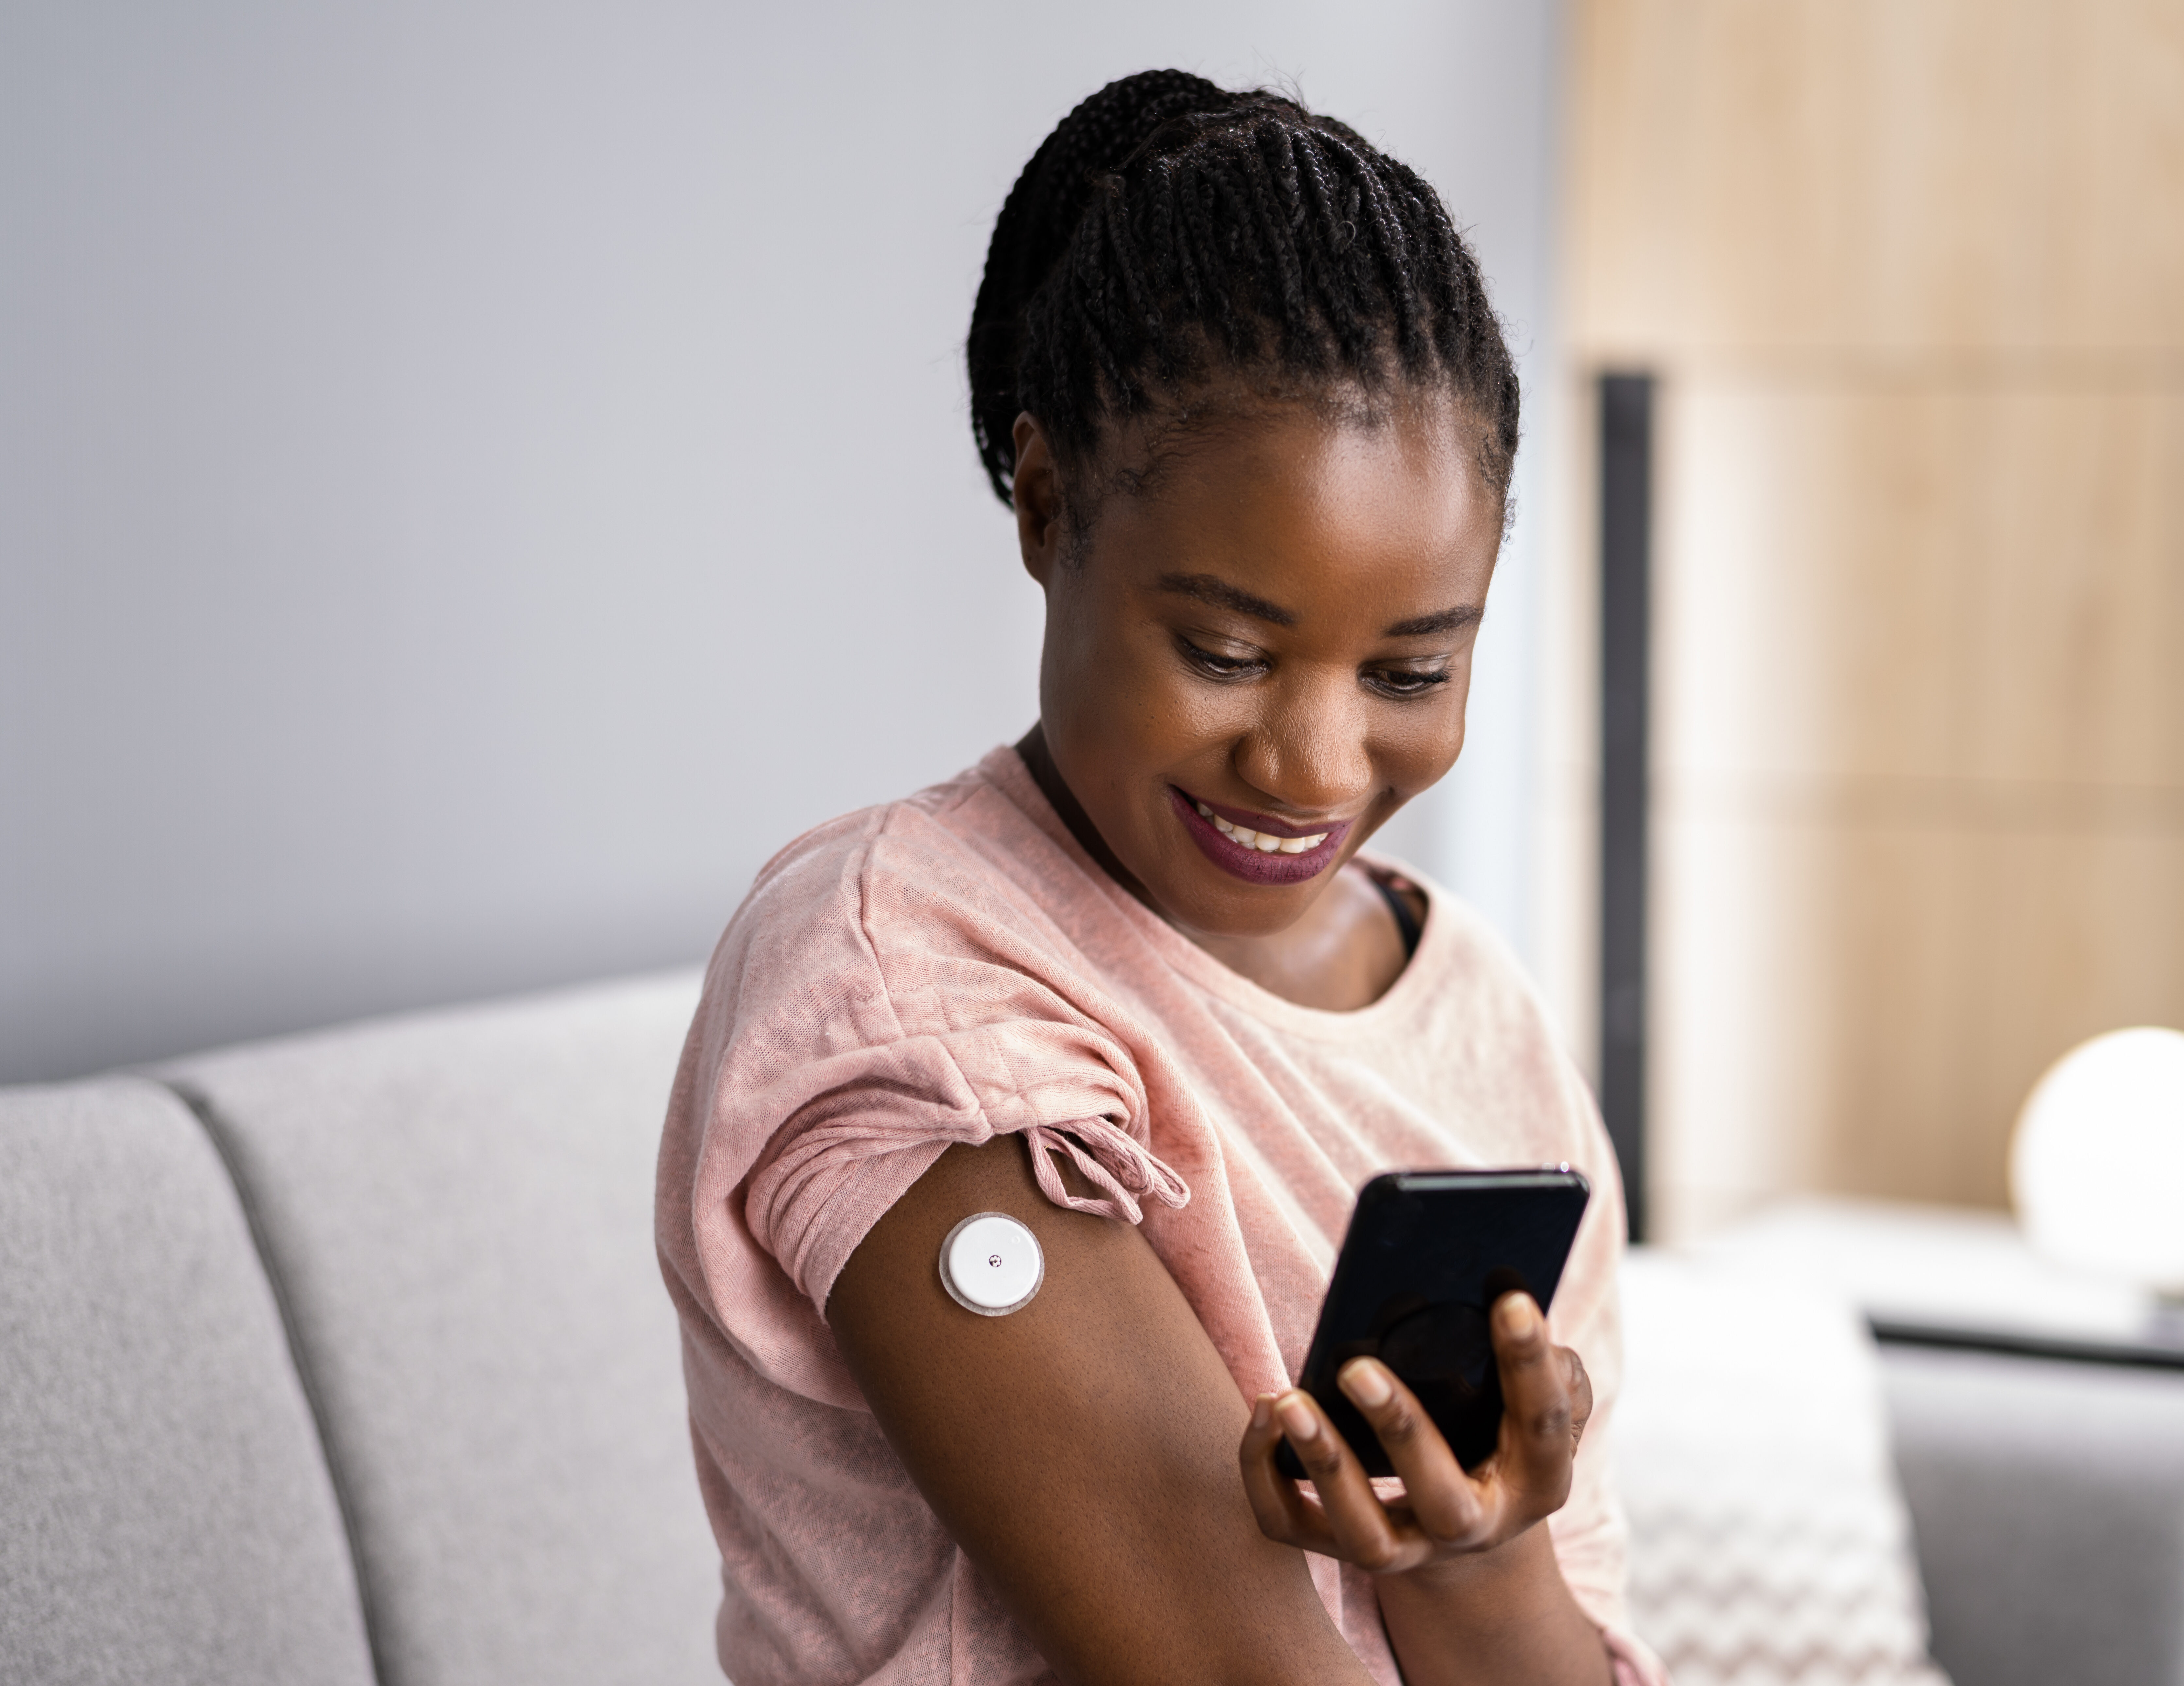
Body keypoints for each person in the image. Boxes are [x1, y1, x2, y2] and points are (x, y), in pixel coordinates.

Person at [657, 70, 1656, 1686]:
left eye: (1411, 673)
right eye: (1226, 651)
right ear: (1049, 511)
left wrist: (1475, 1558)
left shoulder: (1485, 1021)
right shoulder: (906, 981)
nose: (1315, 768)